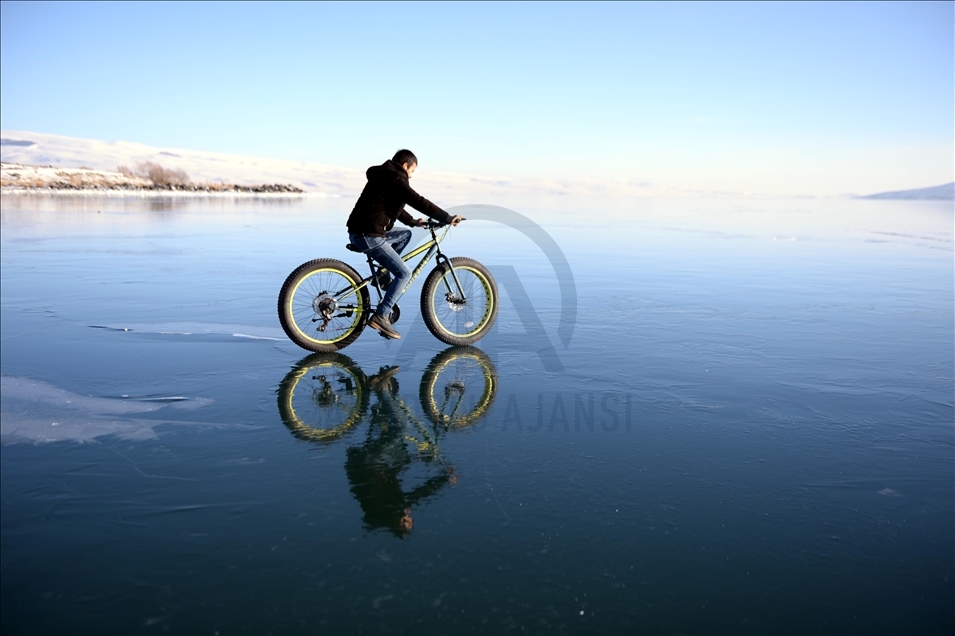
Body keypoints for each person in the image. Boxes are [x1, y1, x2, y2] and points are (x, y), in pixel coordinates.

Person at [346, 149, 464, 340]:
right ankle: (382, 315)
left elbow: (392, 206)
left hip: (361, 231)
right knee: (404, 273)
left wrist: (413, 222)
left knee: (404, 235)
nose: (411, 176)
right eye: (412, 172)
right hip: (369, 235)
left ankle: (383, 273)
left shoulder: (385, 176)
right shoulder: (395, 178)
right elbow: (418, 201)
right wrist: (447, 217)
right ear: (406, 165)